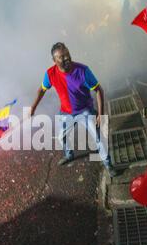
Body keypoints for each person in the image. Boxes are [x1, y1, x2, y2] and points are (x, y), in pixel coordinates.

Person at [30, 42, 118, 177]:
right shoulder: (50, 74)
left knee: (98, 138)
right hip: (66, 112)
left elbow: (98, 90)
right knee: (61, 136)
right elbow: (41, 90)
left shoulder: (83, 71)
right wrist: (33, 108)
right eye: (61, 57)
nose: (66, 58)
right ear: (54, 60)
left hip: (85, 111)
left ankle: (108, 164)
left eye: (67, 54)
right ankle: (69, 154)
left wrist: (100, 114)